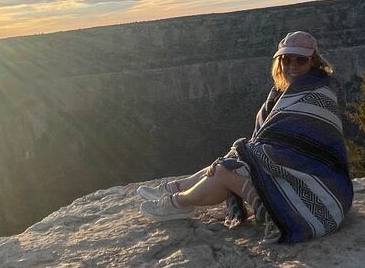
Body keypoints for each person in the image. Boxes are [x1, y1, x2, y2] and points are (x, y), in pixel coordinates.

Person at [138, 30, 353, 244]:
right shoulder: (285, 92)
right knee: (233, 159)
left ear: (313, 62)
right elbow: (273, 141)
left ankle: (176, 203)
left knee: (227, 168)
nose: (292, 66)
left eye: (301, 60)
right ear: (279, 62)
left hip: (318, 194)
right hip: (293, 173)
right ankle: (175, 189)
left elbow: (301, 150)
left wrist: (244, 155)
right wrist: (243, 154)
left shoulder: (317, 95)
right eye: (286, 59)